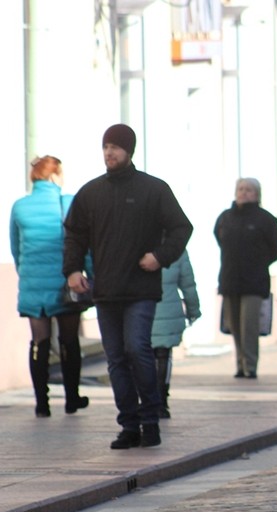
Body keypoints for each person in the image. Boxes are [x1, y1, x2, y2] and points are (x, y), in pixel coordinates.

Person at [63, 123, 194, 449]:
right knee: (116, 358)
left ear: (129, 151)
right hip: (106, 290)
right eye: (106, 147)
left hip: (141, 289)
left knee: (137, 348)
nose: (109, 152)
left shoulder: (153, 189)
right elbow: (74, 235)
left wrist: (159, 257)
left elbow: (181, 228)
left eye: (116, 147)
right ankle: (129, 425)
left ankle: (151, 420)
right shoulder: (91, 193)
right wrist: (72, 270)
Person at [10, 155, 91, 417]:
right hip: (63, 283)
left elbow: (16, 247)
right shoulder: (67, 203)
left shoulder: (20, 207)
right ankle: (71, 398)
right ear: (55, 175)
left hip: (33, 284)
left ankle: (42, 404)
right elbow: (81, 244)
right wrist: (87, 274)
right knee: (69, 340)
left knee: (39, 342)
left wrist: (27, 273)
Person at [214, 177, 277, 380]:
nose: (243, 193)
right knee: (234, 326)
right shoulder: (225, 217)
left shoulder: (266, 219)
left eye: (249, 190)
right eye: (241, 189)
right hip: (230, 279)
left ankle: (250, 365)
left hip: (254, 281)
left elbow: (275, 248)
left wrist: (258, 264)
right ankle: (239, 364)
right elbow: (219, 239)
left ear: (257, 194)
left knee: (249, 325)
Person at [150, 250, 200, 419]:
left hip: (143, 310)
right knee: (164, 356)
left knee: (144, 356)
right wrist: (193, 310)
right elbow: (188, 284)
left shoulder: (138, 242)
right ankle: (162, 399)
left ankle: (148, 399)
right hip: (169, 309)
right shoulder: (176, 249)